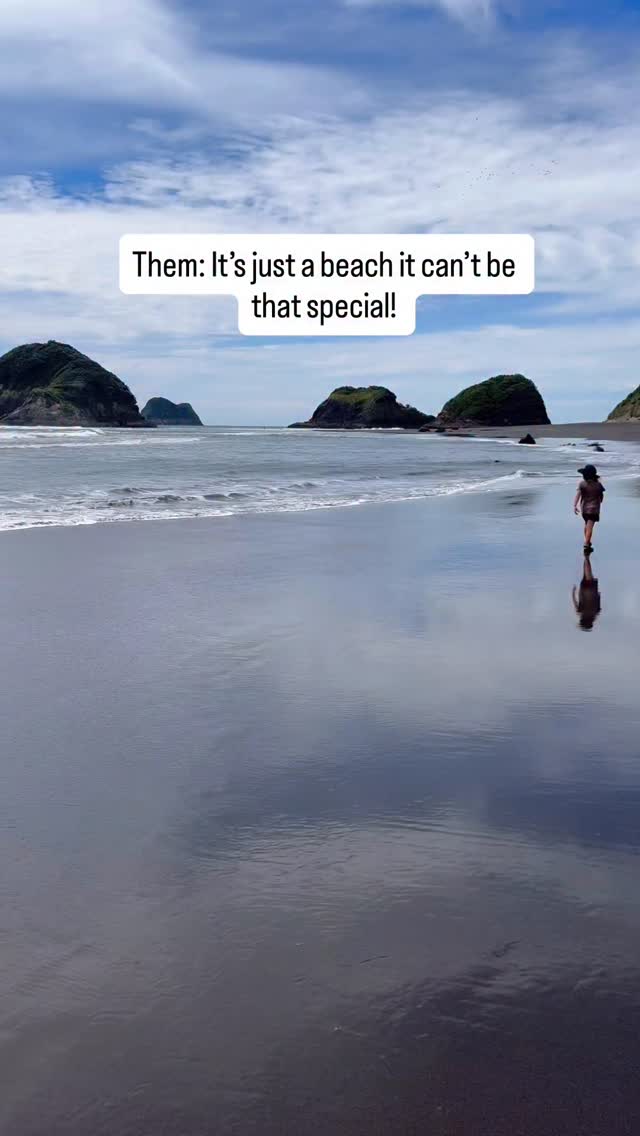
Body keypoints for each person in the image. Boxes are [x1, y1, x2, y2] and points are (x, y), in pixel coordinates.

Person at [573, 463, 605, 554]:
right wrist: (600, 500)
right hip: (594, 509)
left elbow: (577, 496)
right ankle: (586, 543)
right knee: (590, 526)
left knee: (587, 525)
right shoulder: (598, 485)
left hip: (584, 509)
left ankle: (587, 541)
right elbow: (601, 496)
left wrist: (574, 506)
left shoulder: (582, 484)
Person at [572, 556, 601, 631]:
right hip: (584, 591)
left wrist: (598, 594)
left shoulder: (595, 613)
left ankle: (586, 558)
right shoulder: (581, 613)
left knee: (587, 573)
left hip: (592, 591)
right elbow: (575, 601)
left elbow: (598, 601)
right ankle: (586, 557)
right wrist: (573, 592)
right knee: (586, 573)